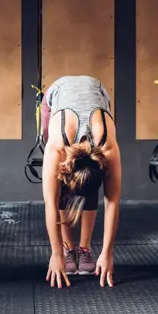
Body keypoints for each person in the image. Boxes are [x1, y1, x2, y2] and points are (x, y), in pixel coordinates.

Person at [41, 75, 121, 289]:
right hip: (57, 93)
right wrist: (56, 252)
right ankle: (68, 248)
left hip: (97, 89)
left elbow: (112, 201)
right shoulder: (57, 145)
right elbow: (50, 201)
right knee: (59, 187)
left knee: (88, 181)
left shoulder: (107, 145)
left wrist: (107, 253)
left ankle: (84, 248)